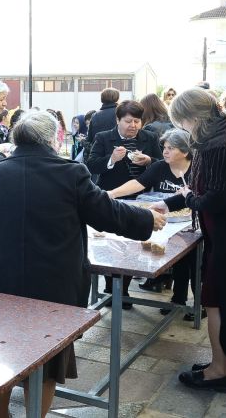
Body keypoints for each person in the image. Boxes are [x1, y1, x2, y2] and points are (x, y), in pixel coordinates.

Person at [0, 111, 164, 417]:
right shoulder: (70, 173)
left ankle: (0, 415)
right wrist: (148, 218)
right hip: (54, 284)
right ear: (54, 138)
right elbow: (108, 214)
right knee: (48, 360)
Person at [155, 88, 226, 393]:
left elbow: (216, 198)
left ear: (194, 117)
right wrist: (170, 203)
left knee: (216, 302)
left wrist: (190, 199)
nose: (184, 131)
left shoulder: (221, 144)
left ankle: (218, 371)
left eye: (183, 124)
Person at [86, 99, 162, 306]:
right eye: (129, 121)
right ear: (118, 120)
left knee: (135, 243)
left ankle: (124, 291)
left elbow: (163, 165)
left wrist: (149, 161)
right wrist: (111, 160)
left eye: (137, 121)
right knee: (111, 244)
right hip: (112, 195)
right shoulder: (103, 138)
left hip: (142, 198)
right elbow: (91, 165)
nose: (133, 126)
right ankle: (111, 288)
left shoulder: (150, 137)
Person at [107, 129, 195, 304]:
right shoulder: (160, 166)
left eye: (171, 148)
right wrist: (112, 193)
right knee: (130, 244)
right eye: (165, 147)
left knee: (186, 259)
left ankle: (180, 300)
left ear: (185, 151)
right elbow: (138, 184)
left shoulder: (197, 168)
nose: (165, 152)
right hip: (161, 221)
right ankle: (118, 294)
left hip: (188, 224)